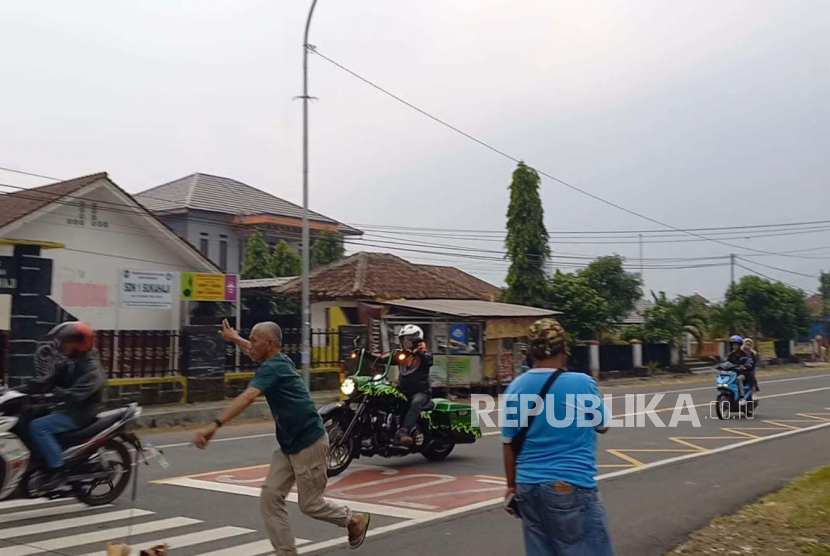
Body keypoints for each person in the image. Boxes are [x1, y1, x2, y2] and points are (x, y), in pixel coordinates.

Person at [194, 320, 370, 555]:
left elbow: (247, 397)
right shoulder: (276, 359)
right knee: (270, 497)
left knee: (310, 505)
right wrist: (235, 338)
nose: (251, 345)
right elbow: (251, 348)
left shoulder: (272, 368)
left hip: (309, 442)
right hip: (289, 444)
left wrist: (214, 425)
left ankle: (353, 519)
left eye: (255, 340)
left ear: (270, 344)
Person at [502, 318, 614, 556]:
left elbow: (509, 445)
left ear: (530, 352)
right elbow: (602, 425)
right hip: (569, 485)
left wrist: (511, 487)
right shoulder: (581, 383)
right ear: (563, 349)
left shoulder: (515, 387)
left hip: (527, 488)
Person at [19, 322, 106, 486]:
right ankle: (37, 461)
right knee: (26, 417)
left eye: (67, 341)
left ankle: (58, 469)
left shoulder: (92, 369)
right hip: (65, 409)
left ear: (81, 342)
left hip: (79, 414)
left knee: (39, 427)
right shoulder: (71, 363)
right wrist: (22, 390)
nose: (62, 345)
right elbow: (49, 380)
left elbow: (75, 395)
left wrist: (55, 395)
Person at [394, 324, 433, 447]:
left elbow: (429, 360)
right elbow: (385, 358)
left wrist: (420, 351)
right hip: (403, 390)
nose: (406, 343)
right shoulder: (403, 355)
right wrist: (366, 354)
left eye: (409, 339)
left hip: (421, 392)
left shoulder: (425, 354)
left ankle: (404, 432)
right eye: (404, 339)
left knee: (415, 402)